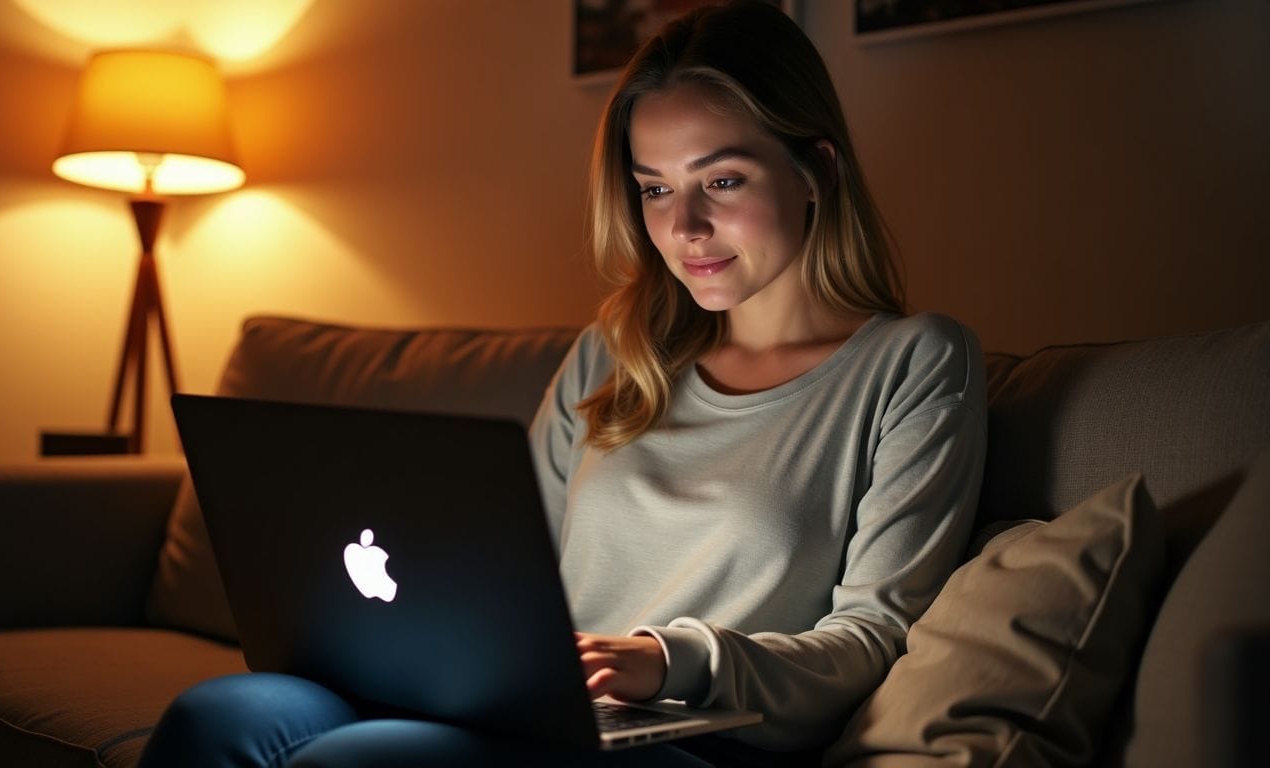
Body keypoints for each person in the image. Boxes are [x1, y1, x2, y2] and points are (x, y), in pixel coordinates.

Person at [139, 2, 986, 766]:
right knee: (220, 715)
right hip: (536, 706)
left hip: (696, 738)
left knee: (360, 759)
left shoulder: (912, 362)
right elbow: (512, 570)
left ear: (816, 171)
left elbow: (872, 638)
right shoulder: (613, 353)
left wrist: (668, 659)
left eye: (722, 181)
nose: (684, 227)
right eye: (655, 189)